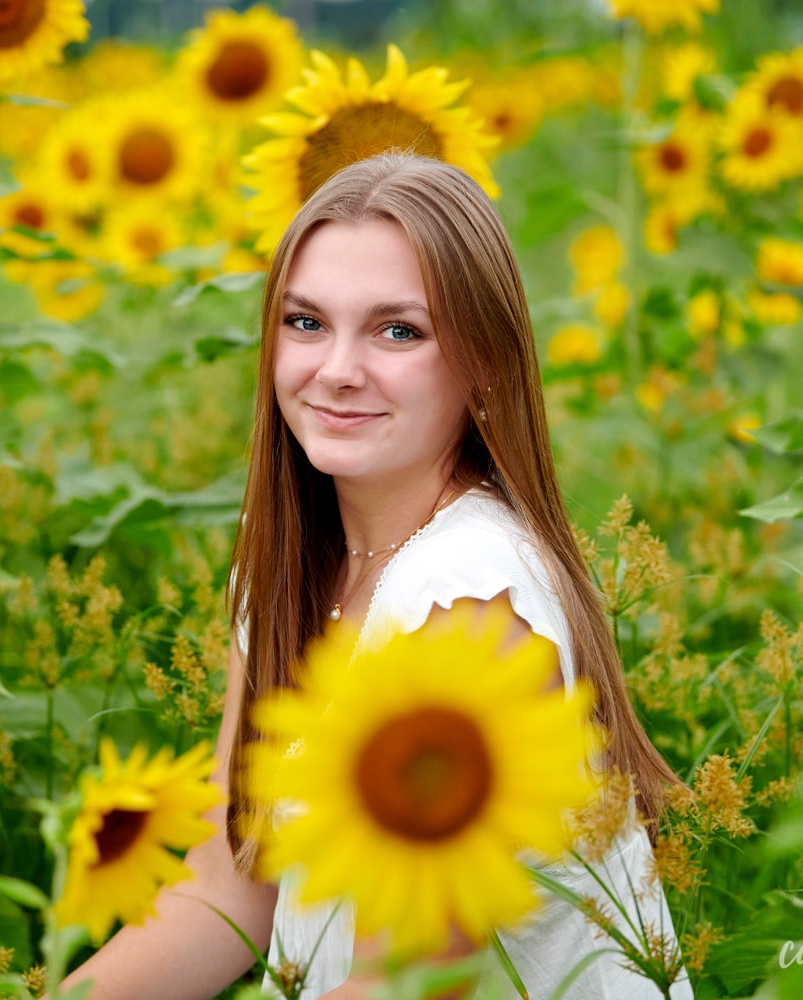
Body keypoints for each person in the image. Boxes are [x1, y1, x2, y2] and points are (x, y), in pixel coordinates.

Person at [65, 152, 693, 999]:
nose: (337, 370)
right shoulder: (292, 565)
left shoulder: (472, 602)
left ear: (484, 361)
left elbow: (401, 984)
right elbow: (229, 891)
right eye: (306, 322)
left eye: (399, 330)